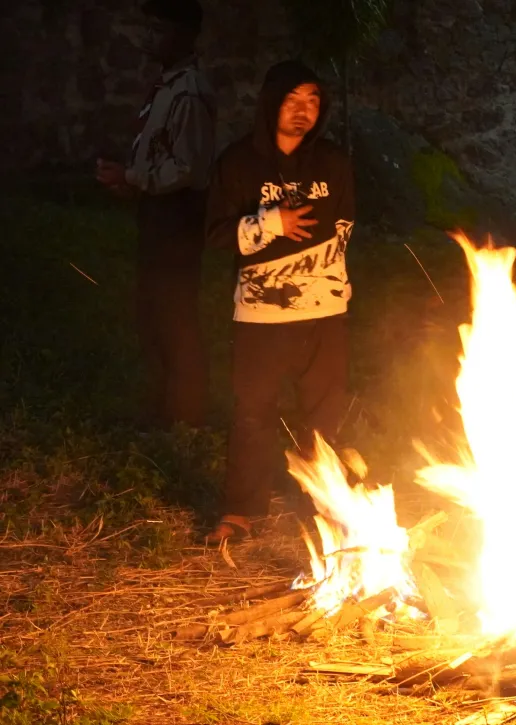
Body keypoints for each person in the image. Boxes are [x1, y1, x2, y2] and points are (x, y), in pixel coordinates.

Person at [203, 61, 356, 543]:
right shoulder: (238, 163)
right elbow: (216, 234)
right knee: (253, 410)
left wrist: (322, 278)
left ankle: (326, 507)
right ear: (271, 103)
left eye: (312, 101)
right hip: (261, 314)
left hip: (325, 312)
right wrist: (271, 224)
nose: (303, 112)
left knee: (326, 414)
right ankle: (241, 510)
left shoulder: (333, 162)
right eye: (293, 101)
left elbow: (346, 225)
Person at [95, 0, 216, 428]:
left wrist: (134, 178)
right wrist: (132, 182)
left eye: (159, 29)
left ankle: (185, 416)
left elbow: (187, 167)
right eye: (148, 28)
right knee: (151, 312)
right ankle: (162, 407)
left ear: (185, 34)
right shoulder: (168, 86)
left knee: (174, 315)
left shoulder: (190, 92)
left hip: (178, 220)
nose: (150, 38)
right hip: (158, 214)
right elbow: (162, 154)